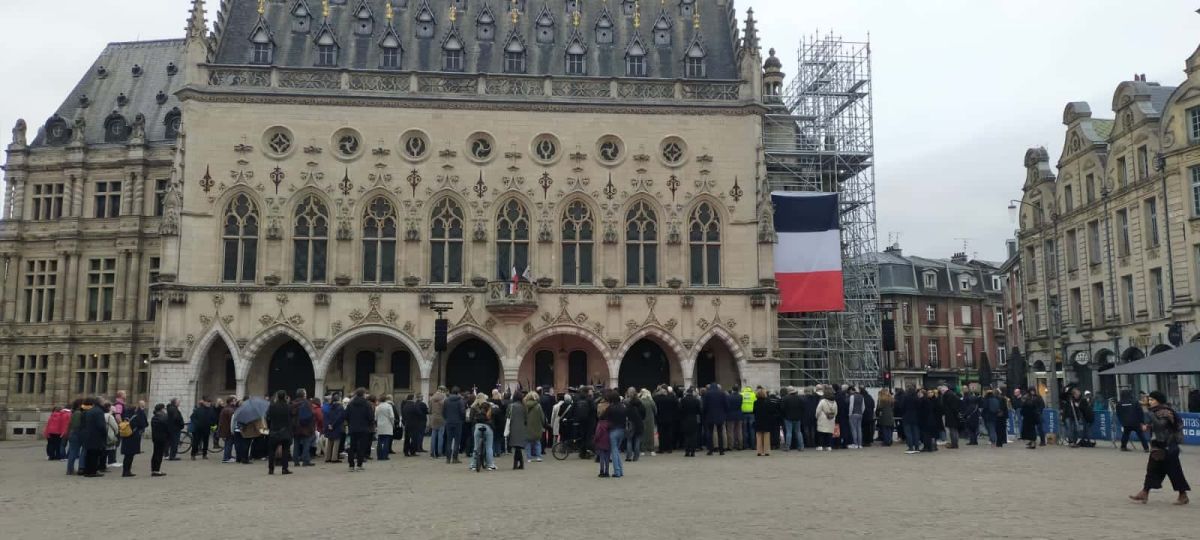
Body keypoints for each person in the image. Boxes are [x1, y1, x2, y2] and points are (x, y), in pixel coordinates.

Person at [1129, 391, 1190, 505]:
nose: (1150, 402)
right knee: (1152, 469)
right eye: (1149, 400)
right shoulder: (1155, 411)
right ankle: (1144, 492)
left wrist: (1149, 414)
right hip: (1158, 446)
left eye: (1152, 400)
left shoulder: (1166, 411)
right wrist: (1148, 426)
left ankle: (1183, 495)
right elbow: (1157, 426)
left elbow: (1161, 425)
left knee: (1174, 472)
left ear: (1159, 401)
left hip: (1168, 446)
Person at [266, 390, 293, 475]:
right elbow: (290, 417)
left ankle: (271, 469)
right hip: (285, 431)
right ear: (285, 397)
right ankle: (284, 468)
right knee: (285, 451)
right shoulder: (288, 406)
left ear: (277, 396)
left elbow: (269, 417)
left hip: (274, 430)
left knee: (272, 451)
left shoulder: (272, 406)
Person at [345, 388, 373, 471]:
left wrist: (351, 423)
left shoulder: (350, 404)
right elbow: (370, 417)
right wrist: (369, 424)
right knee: (362, 447)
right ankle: (359, 464)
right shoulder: (367, 404)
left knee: (352, 447)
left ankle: (351, 465)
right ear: (363, 394)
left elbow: (346, 415)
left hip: (353, 428)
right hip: (364, 428)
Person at [120, 400, 148, 477]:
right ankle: (127, 471)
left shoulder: (126, 413)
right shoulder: (139, 413)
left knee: (127, 455)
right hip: (133, 436)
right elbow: (144, 424)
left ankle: (125, 471)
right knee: (130, 455)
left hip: (126, 435)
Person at [80, 398, 107, 477]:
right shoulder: (99, 411)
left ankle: (87, 470)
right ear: (100, 403)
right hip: (96, 436)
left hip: (89, 435)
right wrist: (104, 433)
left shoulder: (90, 411)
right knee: (95, 455)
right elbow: (101, 425)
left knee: (89, 454)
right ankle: (93, 471)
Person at [469, 394, 496, 471]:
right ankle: (490, 465)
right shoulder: (489, 406)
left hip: (477, 427)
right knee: (489, 447)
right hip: (488, 427)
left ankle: (473, 465)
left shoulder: (474, 407)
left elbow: (471, 419)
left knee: (476, 446)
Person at [603, 390, 627, 477]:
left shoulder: (610, 408)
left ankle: (617, 471)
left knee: (614, 451)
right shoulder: (623, 407)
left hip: (613, 430)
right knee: (617, 450)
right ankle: (620, 470)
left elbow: (603, 416)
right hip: (622, 430)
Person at [290, 389, 317, 466]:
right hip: (306, 427)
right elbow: (312, 414)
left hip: (295, 427)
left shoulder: (293, 403)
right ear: (303, 395)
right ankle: (306, 460)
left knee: (296, 444)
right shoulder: (307, 403)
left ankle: (296, 461)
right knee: (306, 444)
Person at [702, 382, 726, 455]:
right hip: (720, 416)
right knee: (720, 433)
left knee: (710, 433)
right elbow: (726, 404)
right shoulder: (722, 393)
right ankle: (721, 450)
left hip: (710, 416)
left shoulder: (707, 394)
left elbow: (704, 405)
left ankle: (710, 450)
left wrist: (704, 414)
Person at [442, 387, 466, 464]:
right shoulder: (460, 401)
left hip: (448, 422)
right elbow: (462, 412)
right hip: (458, 422)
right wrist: (462, 419)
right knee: (457, 441)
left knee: (449, 440)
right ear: (458, 393)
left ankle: (448, 459)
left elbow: (443, 412)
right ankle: (455, 458)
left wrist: (447, 418)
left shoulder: (446, 400)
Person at [507, 390, 528, 469]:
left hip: (513, 427)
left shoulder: (511, 406)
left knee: (517, 447)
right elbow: (526, 418)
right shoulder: (524, 406)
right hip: (522, 428)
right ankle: (520, 464)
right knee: (518, 447)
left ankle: (516, 464)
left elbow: (507, 417)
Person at [752, 388, 776, 456]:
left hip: (758, 420)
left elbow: (754, 411)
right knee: (766, 436)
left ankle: (759, 451)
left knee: (758, 436)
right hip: (766, 421)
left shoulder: (755, 402)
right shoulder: (768, 402)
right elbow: (772, 411)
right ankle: (766, 451)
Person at [524, 391, 545, 462]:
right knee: (537, 442)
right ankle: (538, 456)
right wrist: (543, 424)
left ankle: (529, 458)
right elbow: (542, 417)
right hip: (537, 426)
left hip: (527, 426)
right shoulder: (538, 406)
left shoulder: (525, 405)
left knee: (528, 443)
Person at [781, 387, 805, 451]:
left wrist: (785, 415)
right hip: (797, 418)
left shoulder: (785, 398)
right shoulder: (800, 398)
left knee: (789, 432)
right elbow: (803, 408)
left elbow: (782, 409)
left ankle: (787, 447)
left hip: (788, 417)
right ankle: (801, 446)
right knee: (798, 432)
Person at [324, 393, 346, 462]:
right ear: (339, 399)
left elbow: (326, 416)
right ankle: (334, 458)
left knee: (330, 441)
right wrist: (333, 425)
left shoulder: (330, 406)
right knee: (336, 442)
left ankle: (327, 457)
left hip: (329, 426)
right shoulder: (340, 407)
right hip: (337, 426)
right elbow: (339, 417)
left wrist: (329, 425)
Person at [149, 403, 169, 477]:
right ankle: (156, 470)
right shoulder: (164, 417)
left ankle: (154, 469)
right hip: (162, 437)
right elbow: (167, 427)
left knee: (155, 453)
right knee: (159, 454)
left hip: (155, 437)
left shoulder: (154, 417)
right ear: (162, 409)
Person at [901, 385, 922, 453]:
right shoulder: (917, 398)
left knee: (908, 433)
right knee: (916, 432)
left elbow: (902, 407)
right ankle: (917, 447)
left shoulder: (905, 397)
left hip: (907, 417)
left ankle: (910, 447)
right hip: (915, 417)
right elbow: (919, 407)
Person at [375, 394, 396, 461]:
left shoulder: (378, 407)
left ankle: (379, 455)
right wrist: (393, 423)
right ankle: (385, 456)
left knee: (380, 441)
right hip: (387, 425)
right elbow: (392, 416)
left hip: (380, 425)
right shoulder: (388, 406)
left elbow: (375, 417)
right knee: (386, 441)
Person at [428, 387, 446, 459]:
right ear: (442, 390)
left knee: (433, 436)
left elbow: (429, 410)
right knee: (440, 436)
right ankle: (439, 452)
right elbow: (445, 409)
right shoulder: (443, 398)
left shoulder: (432, 398)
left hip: (433, 418)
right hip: (441, 418)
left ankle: (432, 452)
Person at [218, 397, 237, 463]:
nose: (235, 402)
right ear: (231, 402)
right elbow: (232, 421)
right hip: (228, 430)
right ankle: (226, 458)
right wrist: (232, 430)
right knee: (229, 444)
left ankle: (228, 456)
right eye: (234, 401)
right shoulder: (230, 410)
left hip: (225, 429)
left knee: (228, 443)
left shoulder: (226, 408)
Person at [639, 389, 657, 457]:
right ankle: (651, 450)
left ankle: (642, 450)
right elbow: (655, 411)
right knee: (650, 434)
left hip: (642, 420)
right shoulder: (651, 401)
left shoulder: (640, 401)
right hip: (650, 420)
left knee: (643, 435)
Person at [594, 413, 612, 477]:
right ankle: (607, 472)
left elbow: (597, 434)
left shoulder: (600, 424)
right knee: (607, 458)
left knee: (602, 458)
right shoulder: (610, 424)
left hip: (601, 442)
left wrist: (595, 440)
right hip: (608, 442)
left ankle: (602, 471)